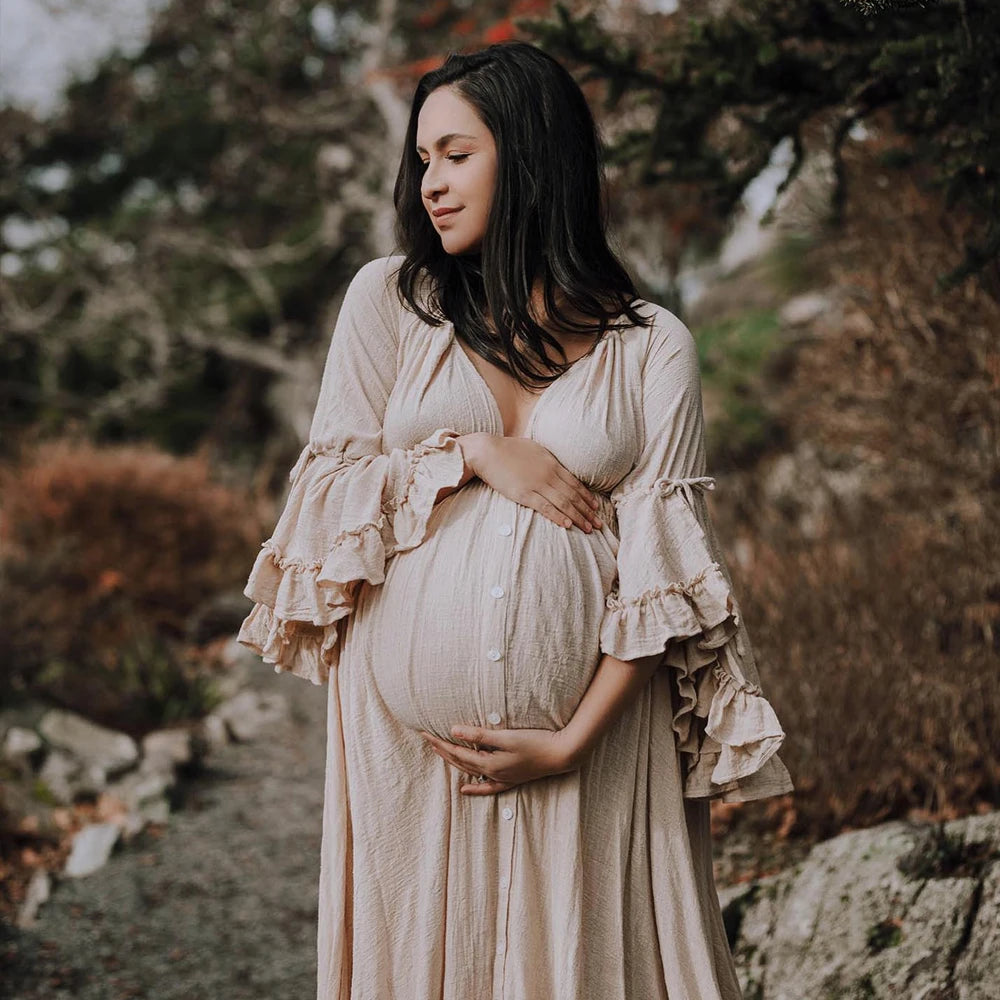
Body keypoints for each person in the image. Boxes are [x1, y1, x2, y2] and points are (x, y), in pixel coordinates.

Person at [238, 40, 793, 1000]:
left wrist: (570, 738)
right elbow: (325, 499)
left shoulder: (653, 344)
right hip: (406, 752)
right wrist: (471, 451)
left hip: (597, 751)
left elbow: (670, 577)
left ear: (531, 155)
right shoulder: (388, 302)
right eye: (422, 162)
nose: (431, 188)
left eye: (457, 155)